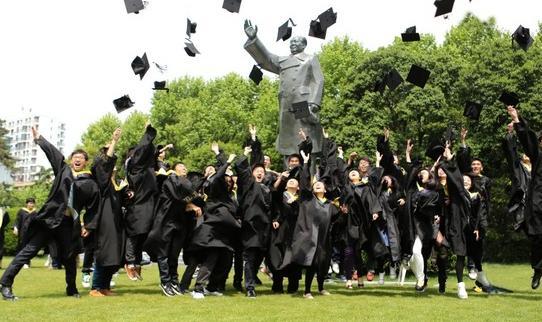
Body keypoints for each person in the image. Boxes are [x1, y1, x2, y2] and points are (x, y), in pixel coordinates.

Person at [1, 126, 90, 300]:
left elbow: (91, 204)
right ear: (71, 160)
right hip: (49, 220)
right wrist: (39, 139)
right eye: (75, 157)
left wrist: (88, 223)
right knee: (28, 252)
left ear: (85, 162)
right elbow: (53, 152)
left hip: (66, 224)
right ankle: (5, 283)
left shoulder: (88, 181)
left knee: (70, 257)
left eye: (81, 158)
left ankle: (71, 288)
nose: (77, 160)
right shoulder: (63, 170)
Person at [243, 20, 324, 158]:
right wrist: (254, 39)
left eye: (296, 42)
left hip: (301, 102)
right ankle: (288, 174)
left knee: (306, 138)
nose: (292, 44)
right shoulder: (284, 61)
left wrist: (313, 104)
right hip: (286, 104)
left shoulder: (310, 59)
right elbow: (267, 59)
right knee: (288, 142)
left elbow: (319, 80)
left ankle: (309, 175)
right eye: (291, 42)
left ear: (304, 45)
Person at [281, 148, 346, 299]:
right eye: (315, 185)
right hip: (311, 237)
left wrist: (343, 213)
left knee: (322, 264)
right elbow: (304, 182)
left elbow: (337, 221)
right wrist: (305, 163)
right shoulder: (308, 200)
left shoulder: (330, 204)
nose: (317, 185)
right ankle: (307, 291)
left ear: (325, 189)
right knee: (311, 263)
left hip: (324, 238)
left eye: (320, 185)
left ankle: (321, 287)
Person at [145, 161, 203, 297]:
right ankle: (165, 282)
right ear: (174, 169)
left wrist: (191, 203)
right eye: (181, 167)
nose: (185, 168)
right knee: (163, 253)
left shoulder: (184, 184)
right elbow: (179, 197)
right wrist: (192, 203)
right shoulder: (170, 179)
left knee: (174, 255)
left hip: (178, 224)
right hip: (165, 221)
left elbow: (192, 197)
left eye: (185, 167)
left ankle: (173, 281)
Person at [190, 153, 240, 299]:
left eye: (231, 181)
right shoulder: (215, 193)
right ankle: (198, 289)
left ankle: (212, 287)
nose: (229, 182)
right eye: (227, 180)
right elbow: (218, 177)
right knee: (210, 260)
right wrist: (227, 161)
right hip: (212, 232)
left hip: (225, 235)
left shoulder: (231, 199)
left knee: (225, 262)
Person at [234, 126, 273, 298]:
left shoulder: (266, 188)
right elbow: (244, 166)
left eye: (262, 171)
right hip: (250, 226)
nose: (260, 171)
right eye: (256, 170)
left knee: (259, 257)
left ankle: (251, 279)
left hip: (264, 227)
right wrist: (250, 144)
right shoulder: (248, 186)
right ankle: (249, 287)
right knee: (249, 257)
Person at [508, 106, 542, 289]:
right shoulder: (538, 157)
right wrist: (516, 118)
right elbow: (528, 140)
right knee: (537, 238)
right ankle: (537, 269)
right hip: (538, 205)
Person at [123, 122, 159, 281]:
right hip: (138, 205)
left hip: (148, 204)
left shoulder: (147, 168)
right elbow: (142, 150)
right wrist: (148, 133)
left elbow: (149, 153)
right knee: (135, 233)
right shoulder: (135, 167)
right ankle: (130, 263)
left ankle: (136, 262)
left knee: (144, 234)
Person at [13, 198, 37, 269]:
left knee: (29, 249)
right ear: (26, 204)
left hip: (32, 233)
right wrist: (15, 228)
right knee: (21, 247)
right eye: (29, 203)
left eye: (32, 203)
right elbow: (17, 221)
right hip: (22, 233)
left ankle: (27, 263)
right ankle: (19, 262)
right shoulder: (21, 211)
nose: (31, 204)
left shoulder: (35, 212)